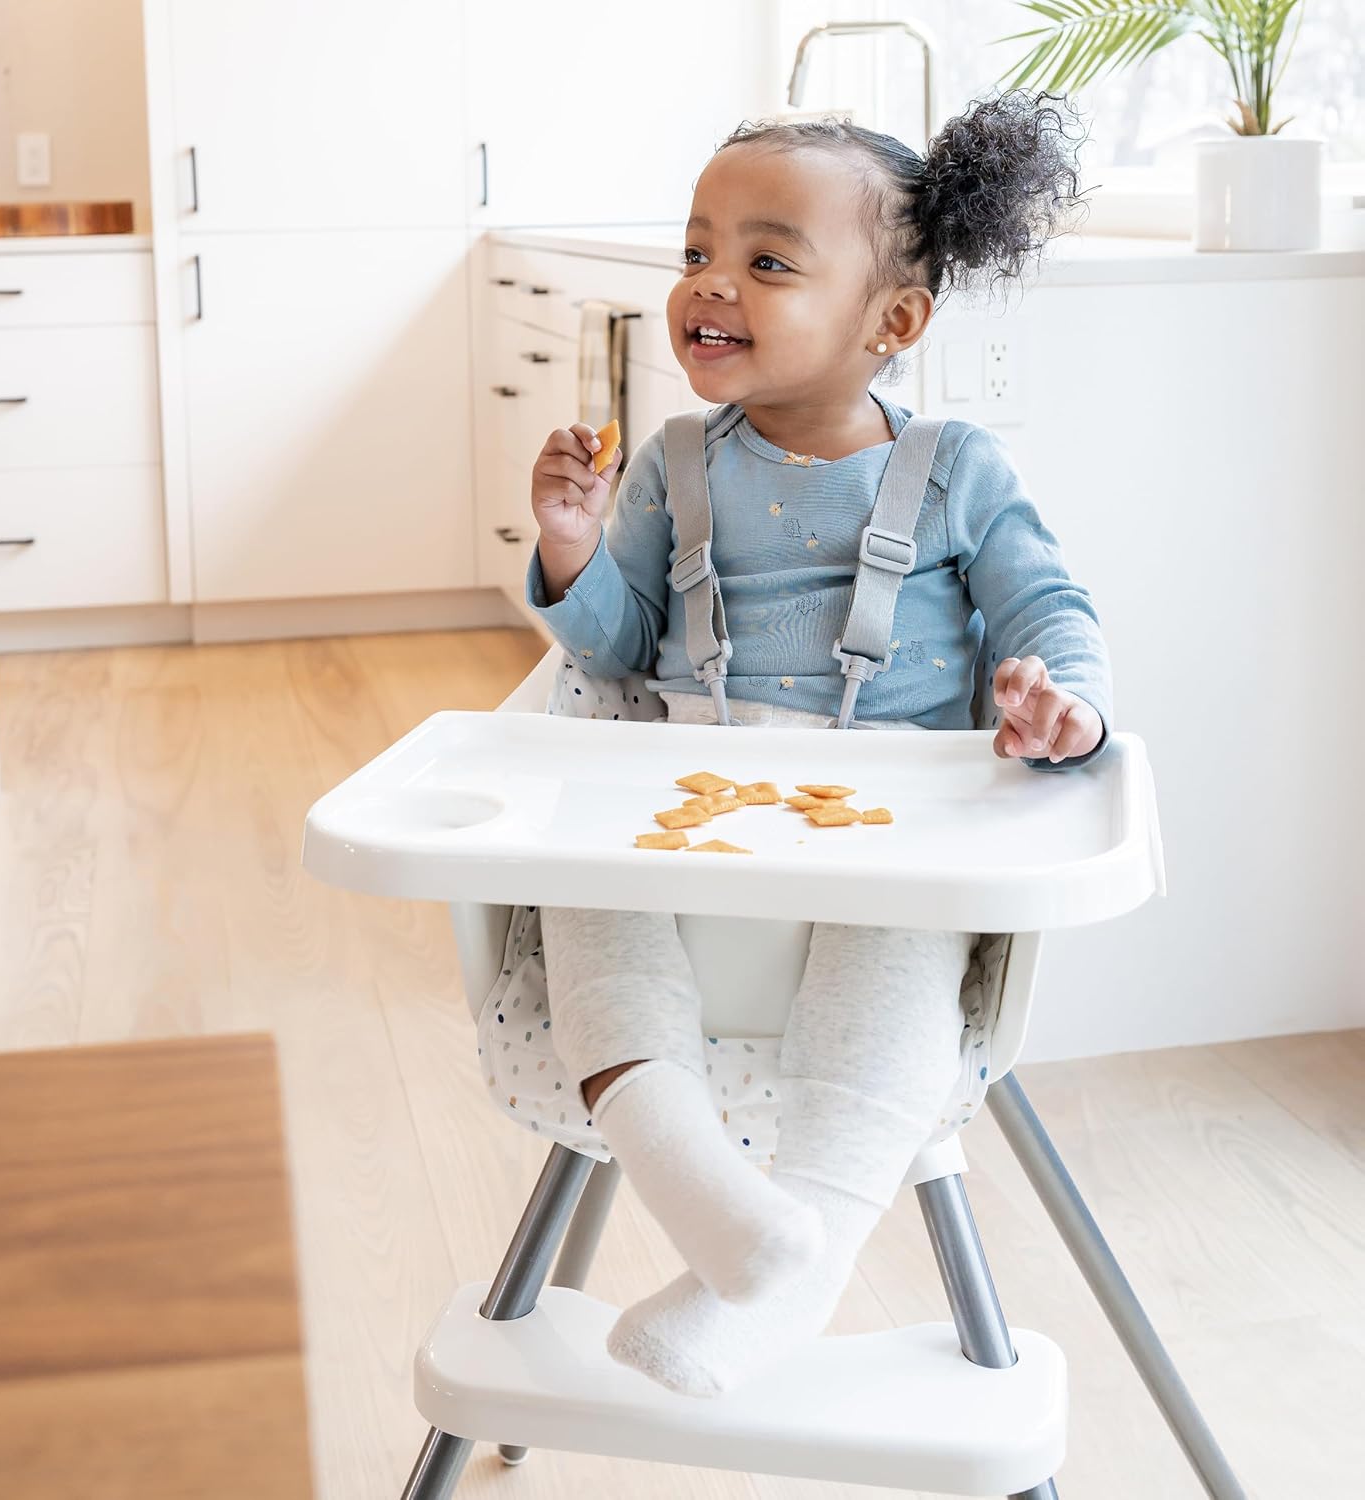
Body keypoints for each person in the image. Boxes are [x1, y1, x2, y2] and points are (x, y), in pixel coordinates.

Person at [524, 93, 1110, 1397]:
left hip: (883, 823)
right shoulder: (675, 461)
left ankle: (805, 1252)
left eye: (767, 261)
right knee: (580, 893)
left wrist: (1059, 697)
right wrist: (571, 549)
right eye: (696, 251)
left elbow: (1050, 610)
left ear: (891, 322)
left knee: (895, 961)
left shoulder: (957, 470)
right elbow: (617, 649)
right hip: (689, 796)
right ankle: (729, 1216)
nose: (709, 282)